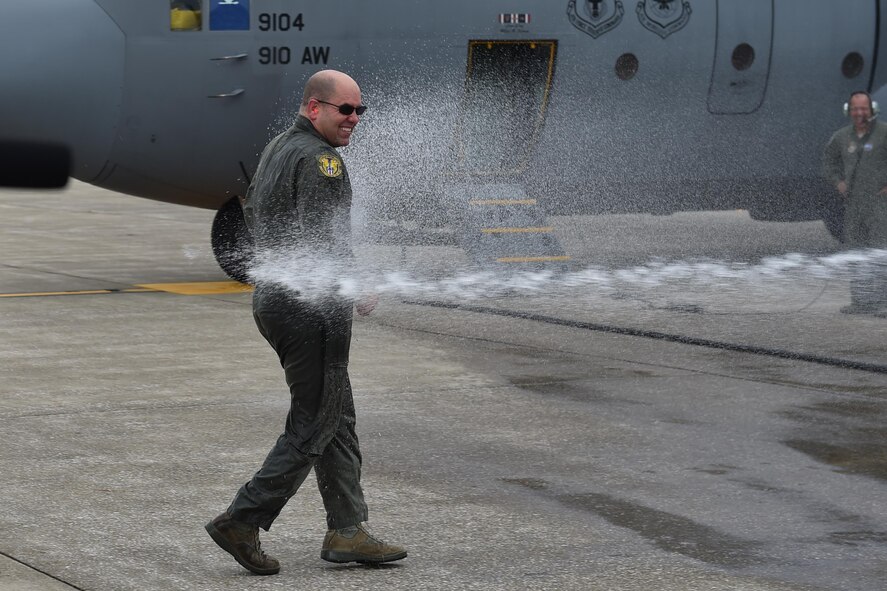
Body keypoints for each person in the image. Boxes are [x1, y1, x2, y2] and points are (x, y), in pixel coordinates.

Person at [205, 70, 405, 575]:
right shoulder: (321, 161)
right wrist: (353, 284)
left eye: (361, 111)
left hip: (278, 298)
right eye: (345, 110)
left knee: (335, 415)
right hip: (312, 309)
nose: (354, 119)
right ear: (314, 108)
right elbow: (325, 239)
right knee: (315, 420)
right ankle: (243, 517)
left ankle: (348, 530)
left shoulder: (278, 148)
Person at [822, 90, 887, 316]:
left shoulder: (885, 133)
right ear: (848, 111)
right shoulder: (841, 137)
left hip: (881, 205)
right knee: (856, 252)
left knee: (881, 251)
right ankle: (860, 301)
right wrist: (838, 182)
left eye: (864, 109)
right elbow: (829, 162)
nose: (860, 113)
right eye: (856, 109)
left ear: (873, 110)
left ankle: (883, 303)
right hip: (854, 206)